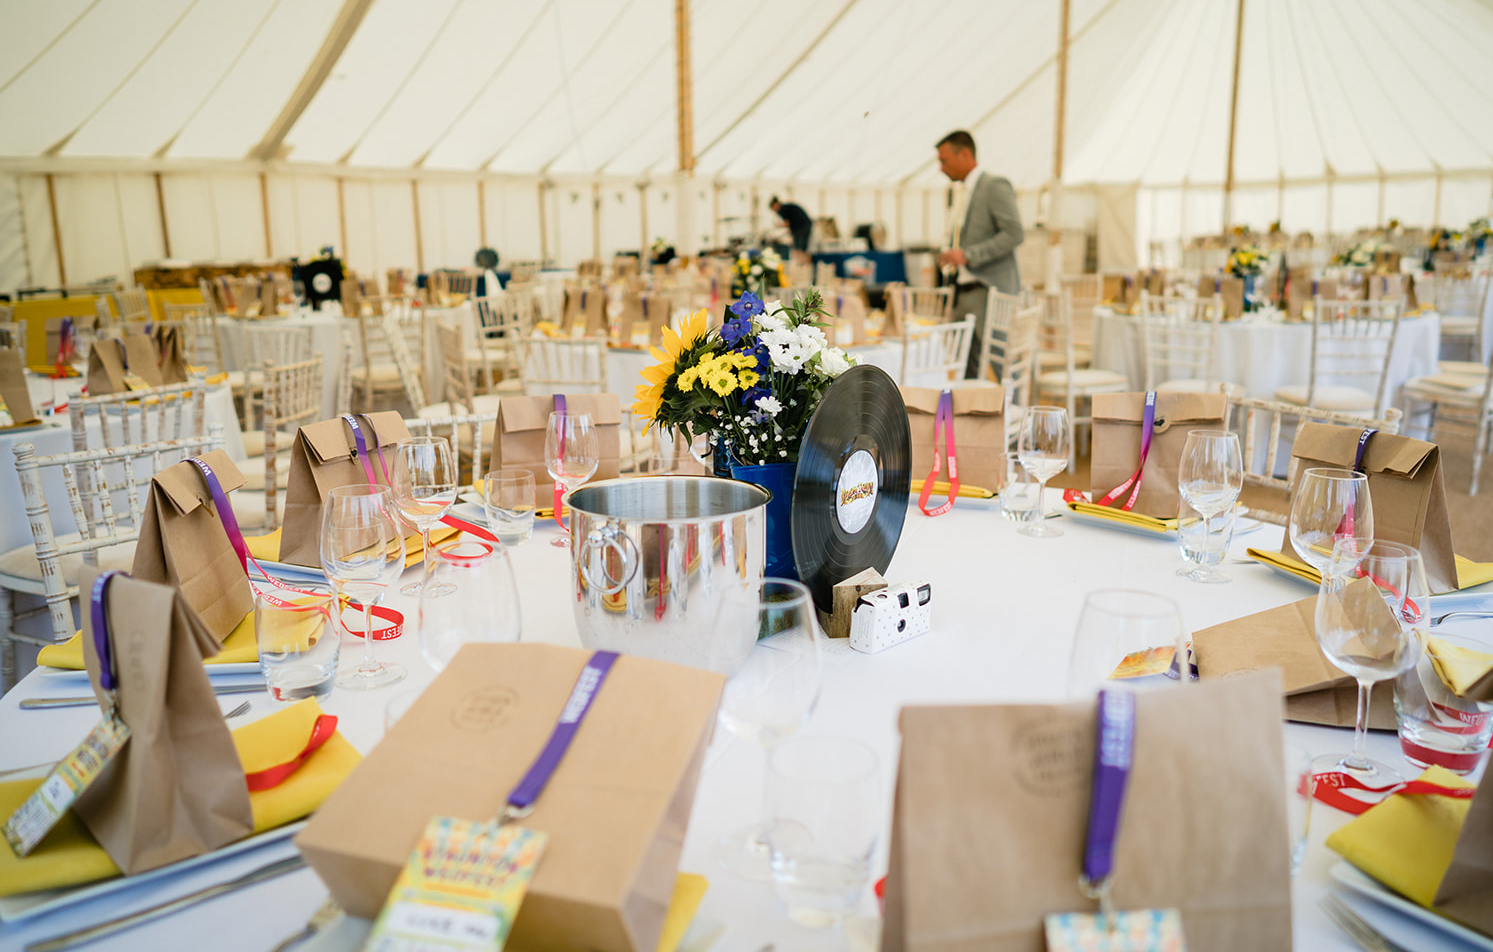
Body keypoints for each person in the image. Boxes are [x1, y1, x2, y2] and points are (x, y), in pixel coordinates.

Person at [935, 130, 1024, 378]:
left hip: (989, 291)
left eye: (944, 160)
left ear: (964, 154)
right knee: (963, 367)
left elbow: (1015, 234)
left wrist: (967, 255)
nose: (941, 168)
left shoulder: (994, 185)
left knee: (1004, 369)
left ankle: (1016, 415)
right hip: (965, 292)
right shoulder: (962, 192)